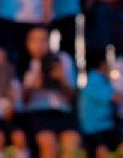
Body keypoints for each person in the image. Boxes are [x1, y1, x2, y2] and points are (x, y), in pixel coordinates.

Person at [21, 27, 79, 158]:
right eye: (35, 41)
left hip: (63, 111)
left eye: (43, 40)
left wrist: (61, 80)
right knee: (48, 146)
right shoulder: (25, 65)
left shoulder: (62, 59)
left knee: (71, 148)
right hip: (38, 113)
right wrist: (32, 86)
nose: (39, 45)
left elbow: (73, 96)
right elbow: (22, 101)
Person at [79, 49, 123, 158]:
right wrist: (121, 76)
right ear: (102, 64)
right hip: (97, 129)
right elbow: (118, 98)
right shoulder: (94, 80)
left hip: (104, 127)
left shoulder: (100, 80)